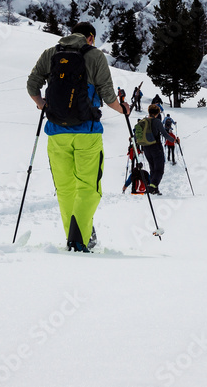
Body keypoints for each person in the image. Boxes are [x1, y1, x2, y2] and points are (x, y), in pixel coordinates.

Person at [27, 22, 128, 252]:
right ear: (90, 37)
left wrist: (43, 105)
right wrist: (124, 109)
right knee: (89, 187)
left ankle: (74, 237)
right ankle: (80, 241)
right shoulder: (95, 56)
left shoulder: (51, 53)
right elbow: (109, 96)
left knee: (65, 189)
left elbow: (32, 84)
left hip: (56, 133)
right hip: (87, 134)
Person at [139, 104, 173, 195]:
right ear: (157, 113)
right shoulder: (157, 121)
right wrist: (174, 140)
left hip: (146, 148)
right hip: (156, 147)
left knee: (152, 168)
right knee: (159, 169)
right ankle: (152, 186)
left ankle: (155, 189)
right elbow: (165, 134)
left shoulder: (143, 121)